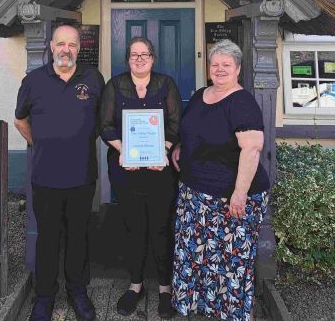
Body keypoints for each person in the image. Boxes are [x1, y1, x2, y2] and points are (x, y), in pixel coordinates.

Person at [171, 39, 270, 321]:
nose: (220, 69)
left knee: (229, 261)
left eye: (226, 64)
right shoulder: (202, 94)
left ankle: (231, 313)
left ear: (237, 68)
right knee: (195, 256)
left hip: (230, 198)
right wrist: (181, 147)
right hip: (194, 193)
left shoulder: (242, 102)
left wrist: (240, 193)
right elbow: (192, 131)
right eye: (215, 64)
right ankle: (202, 308)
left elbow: (251, 148)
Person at [14, 25, 104, 321]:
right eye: (61, 44)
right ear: (51, 46)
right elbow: (20, 120)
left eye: (72, 44)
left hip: (82, 176)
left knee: (79, 236)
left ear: (79, 48)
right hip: (45, 177)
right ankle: (44, 295)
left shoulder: (93, 79)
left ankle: (77, 291)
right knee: (48, 238)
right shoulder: (33, 81)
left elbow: (104, 121)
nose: (66, 49)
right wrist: (41, 145)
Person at [100, 37, 182, 319]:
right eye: (134, 55)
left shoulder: (166, 84)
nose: (139, 59)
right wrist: (125, 152)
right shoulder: (115, 85)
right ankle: (135, 286)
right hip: (126, 170)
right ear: (128, 59)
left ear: (153, 58)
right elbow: (105, 125)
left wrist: (164, 151)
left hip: (160, 172)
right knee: (133, 229)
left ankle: (164, 288)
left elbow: (175, 123)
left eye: (144, 54)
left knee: (160, 228)